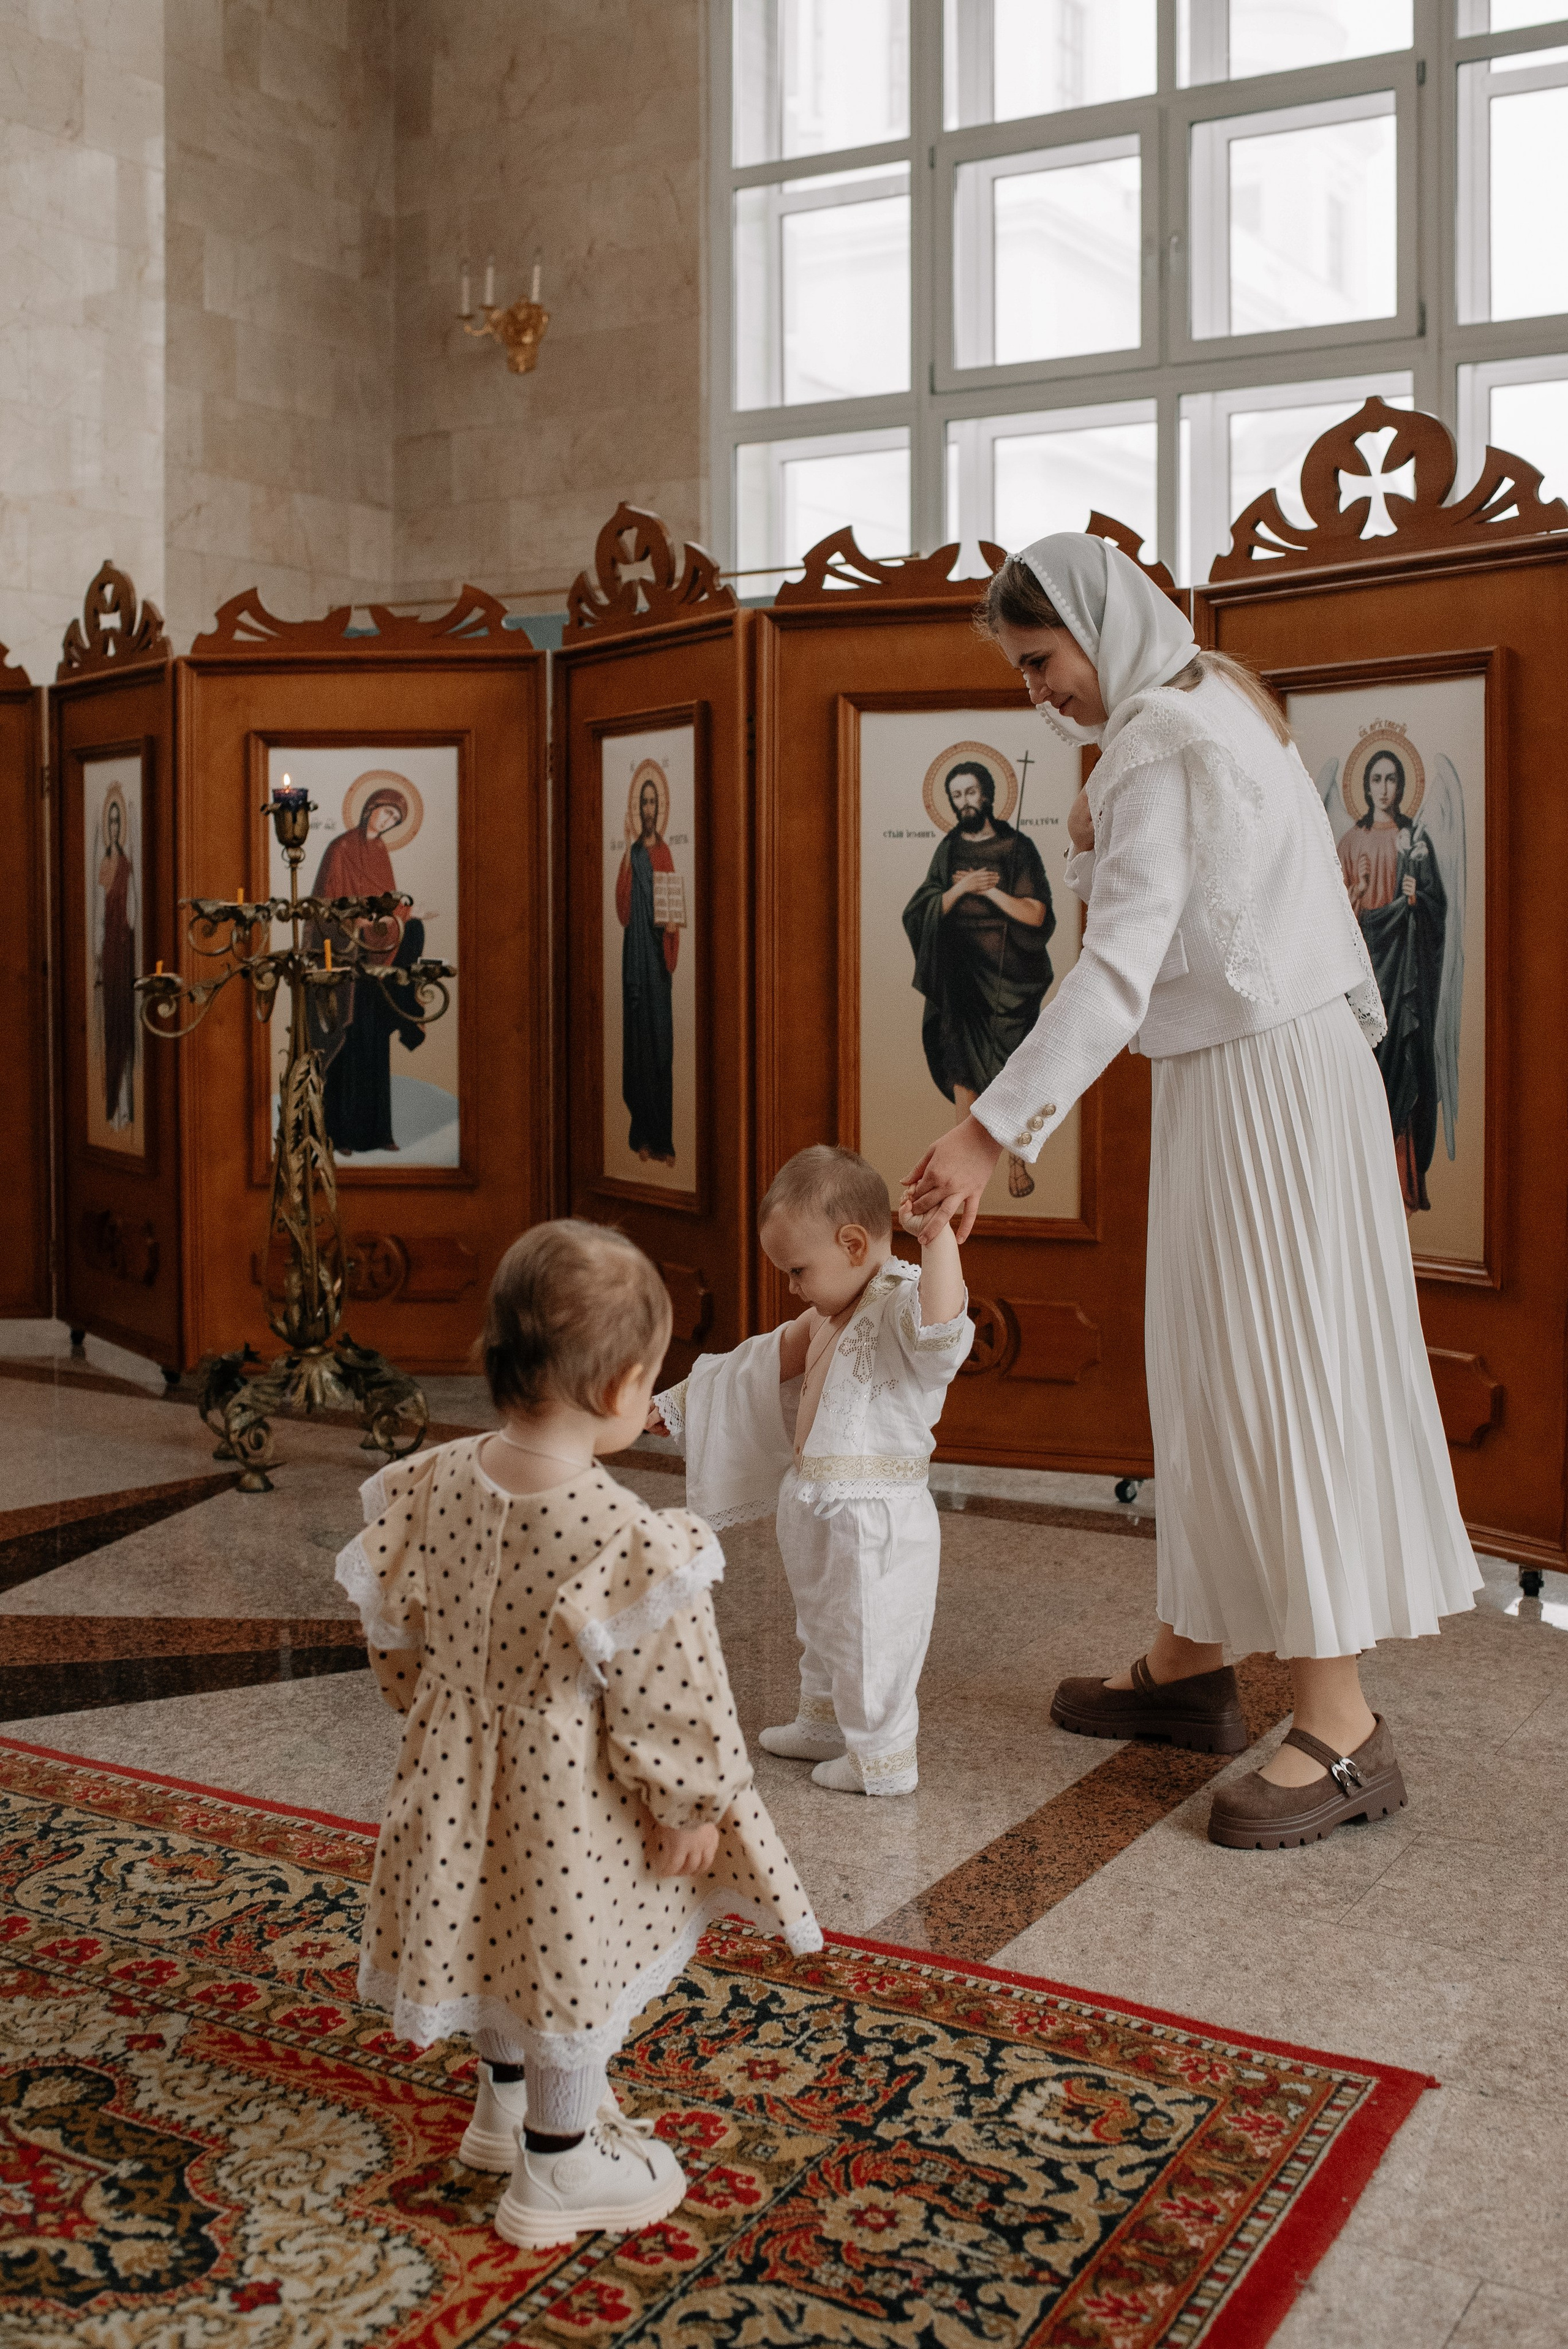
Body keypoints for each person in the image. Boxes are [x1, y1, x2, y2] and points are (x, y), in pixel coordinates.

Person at [904, 533, 1480, 1851]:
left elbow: (1115, 971)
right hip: (1265, 1073)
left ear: (1100, 630)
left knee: (1278, 1371)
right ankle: (1190, 1658)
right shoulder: (1215, 699)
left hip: (1259, 1084)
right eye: (1022, 672)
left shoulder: (1161, 733)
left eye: (1042, 661)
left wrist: (987, 1135)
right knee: (1213, 1363)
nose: (1036, 694)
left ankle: (1339, 1726)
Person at [334, 1220, 820, 2249]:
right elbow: (675, 1699)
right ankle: (557, 2168)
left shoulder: (433, 1485)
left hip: (456, 1776)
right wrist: (690, 1807)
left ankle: (502, 2106)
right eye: (651, 1383)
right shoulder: (626, 1538)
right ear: (616, 1394)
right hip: (570, 1804)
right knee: (568, 1957)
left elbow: (396, 1636)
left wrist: (441, 1717)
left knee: (491, 1923)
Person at [649, 1145, 972, 1798]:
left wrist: (935, 1240)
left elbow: (943, 1332)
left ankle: (882, 1758)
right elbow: (762, 1361)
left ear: (854, 1243)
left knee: (869, 1630)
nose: (792, 1286)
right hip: (819, 1500)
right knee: (823, 1621)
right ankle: (824, 1723)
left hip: (873, 1510)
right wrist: (681, 1401)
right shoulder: (828, 1312)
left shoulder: (904, 1299)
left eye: (798, 1270)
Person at [902, 758, 1055, 1201]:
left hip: (1010, 980)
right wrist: (961, 889)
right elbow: (920, 910)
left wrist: (989, 890)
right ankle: (963, 1164)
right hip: (959, 979)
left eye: (970, 792)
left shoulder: (1018, 847)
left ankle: (1017, 1159)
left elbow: (1037, 913)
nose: (964, 802)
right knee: (962, 1068)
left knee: (1015, 1068)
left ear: (987, 794)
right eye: (956, 795)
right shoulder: (948, 849)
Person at [1338, 747, 1447, 1213]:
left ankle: (1401, 1187)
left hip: (1402, 981)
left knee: (1401, 1073)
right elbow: (1326, 919)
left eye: (1392, 779)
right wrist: (1358, 893)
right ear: (1366, 786)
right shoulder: (1349, 843)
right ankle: (1356, 1190)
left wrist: (1417, 898)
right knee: (1359, 1080)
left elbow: (1438, 910)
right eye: (1377, 779)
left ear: (1402, 786)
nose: (1384, 787)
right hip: (1362, 981)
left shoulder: (1414, 839)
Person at [307, 786, 412, 1156]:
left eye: (395, 820)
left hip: (375, 961)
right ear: (370, 808)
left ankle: (379, 1133)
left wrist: (398, 913)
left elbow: (390, 899)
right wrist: (362, 921)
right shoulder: (341, 849)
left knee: (374, 1047)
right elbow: (326, 909)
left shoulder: (380, 852)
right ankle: (342, 1135)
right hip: (344, 963)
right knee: (347, 1046)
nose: (387, 823)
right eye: (386, 813)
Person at [616, 776, 679, 1166]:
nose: (650, 810)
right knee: (637, 1048)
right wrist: (626, 849)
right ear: (638, 811)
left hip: (657, 960)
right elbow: (623, 911)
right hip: (634, 959)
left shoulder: (664, 853)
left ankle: (664, 1140)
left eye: (655, 803)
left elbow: (672, 902)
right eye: (645, 804)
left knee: (661, 1048)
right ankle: (640, 1134)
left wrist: (672, 926)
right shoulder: (634, 853)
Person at [96, 794, 137, 1129]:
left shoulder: (126, 867)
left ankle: (125, 1104)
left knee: (124, 1027)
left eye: (117, 821)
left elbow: (134, 913)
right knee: (111, 1027)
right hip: (108, 954)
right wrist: (98, 955)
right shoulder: (104, 866)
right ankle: (112, 1105)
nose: (114, 827)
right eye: (110, 822)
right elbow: (98, 914)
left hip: (125, 954)